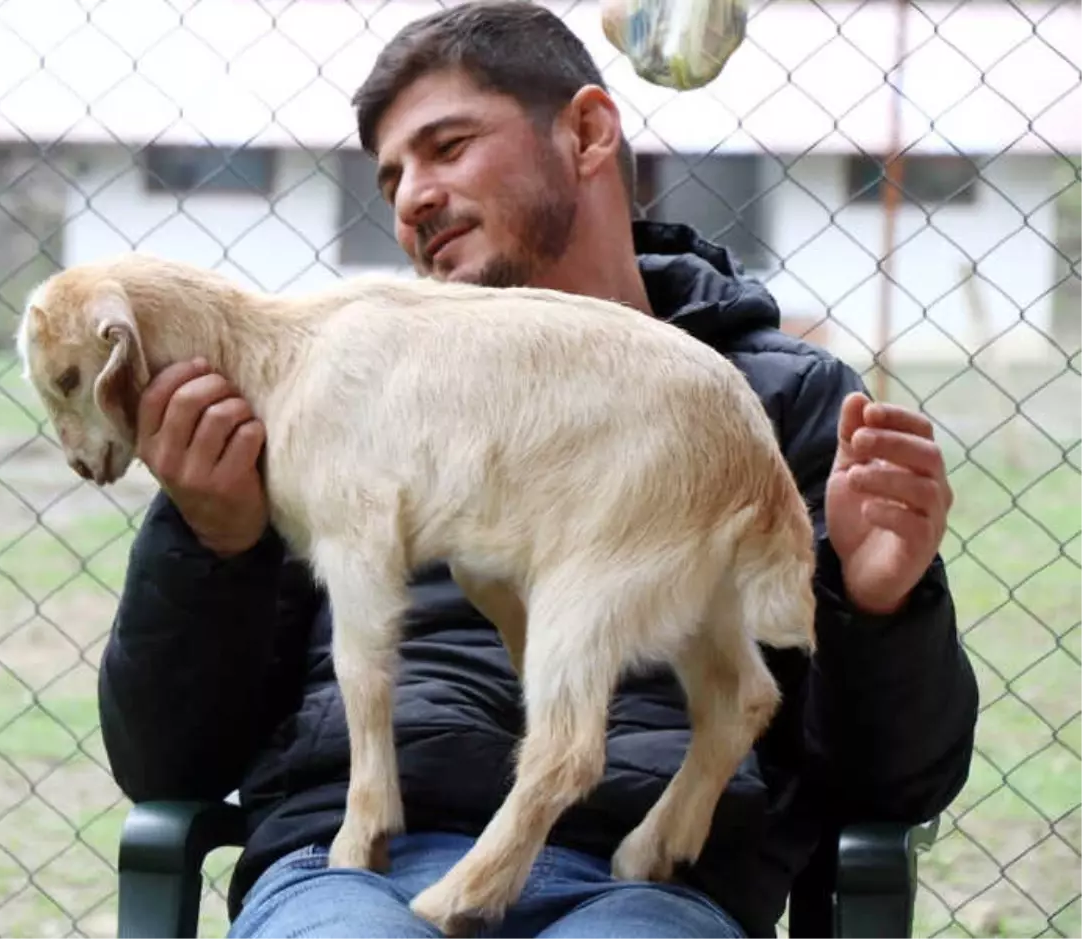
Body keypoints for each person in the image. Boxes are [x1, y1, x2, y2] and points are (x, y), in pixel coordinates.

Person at [96, 3, 980, 937]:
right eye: (391, 175)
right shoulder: (322, 399)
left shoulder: (774, 398)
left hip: (649, 887)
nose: (409, 198)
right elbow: (167, 766)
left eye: (448, 147)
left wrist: (879, 610)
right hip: (350, 872)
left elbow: (893, 782)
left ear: (590, 132)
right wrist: (210, 540)